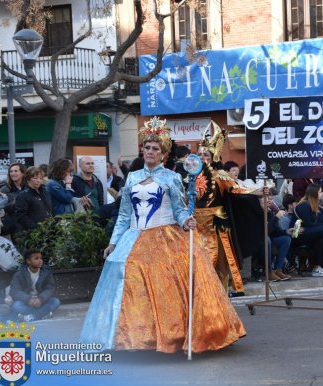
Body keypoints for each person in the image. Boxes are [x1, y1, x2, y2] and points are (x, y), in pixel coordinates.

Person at [80, 117, 245, 353]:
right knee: (126, 270)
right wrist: (114, 242)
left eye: (155, 148)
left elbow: (179, 209)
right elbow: (125, 215)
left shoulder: (172, 177)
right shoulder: (133, 177)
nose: (149, 151)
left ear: (163, 153)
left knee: (166, 281)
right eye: (146, 147)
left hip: (165, 236)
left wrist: (186, 220)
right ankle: (134, 336)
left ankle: (172, 335)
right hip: (134, 237)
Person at [194, 126, 264, 296]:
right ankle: (201, 293)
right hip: (195, 226)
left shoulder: (221, 175)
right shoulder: (189, 176)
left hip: (215, 225)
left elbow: (237, 190)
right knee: (197, 262)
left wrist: (258, 192)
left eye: (207, 155)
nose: (203, 157)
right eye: (200, 154)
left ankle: (219, 293)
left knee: (219, 260)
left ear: (213, 157)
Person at [292, 184, 323, 277]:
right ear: (314, 193)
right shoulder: (304, 205)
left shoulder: (312, 205)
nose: (321, 194)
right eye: (319, 192)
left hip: (308, 232)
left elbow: (313, 225)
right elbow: (308, 224)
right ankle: (318, 268)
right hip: (298, 234)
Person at [10, 250, 61, 322]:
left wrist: (41, 299)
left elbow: (50, 288)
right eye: (36, 258)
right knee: (16, 305)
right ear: (28, 261)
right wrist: (28, 299)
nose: (40, 260)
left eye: (41, 258)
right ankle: (42, 314)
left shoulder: (46, 273)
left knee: (55, 301)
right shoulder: (19, 274)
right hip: (26, 302)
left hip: (41, 301)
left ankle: (31, 316)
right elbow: (15, 291)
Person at [14, 167, 52, 231]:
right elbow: (21, 216)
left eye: (40, 178)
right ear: (28, 179)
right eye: (35, 178)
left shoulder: (45, 192)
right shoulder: (23, 195)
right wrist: (34, 228)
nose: (38, 180)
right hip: (35, 234)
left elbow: (50, 209)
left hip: (49, 230)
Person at [0, 163, 26, 236]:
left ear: (22, 173)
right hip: (14, 228)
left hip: (30, 225)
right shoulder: (4, 190)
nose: (13, 173)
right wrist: (14, 203)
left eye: (16, 171)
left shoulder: (28, 188)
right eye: (11, 171)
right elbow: (1, 209)